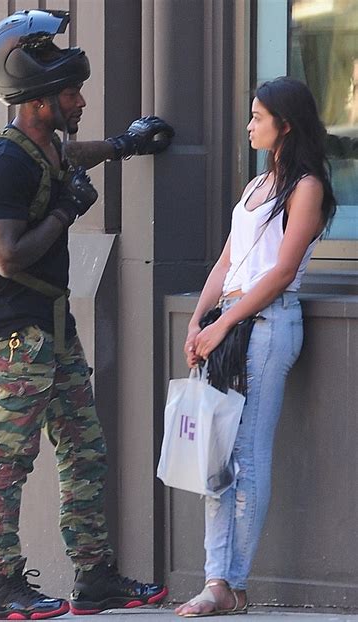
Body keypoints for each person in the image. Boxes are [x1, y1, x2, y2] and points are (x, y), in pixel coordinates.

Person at [0, 9, 173, 621]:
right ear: (36, 103)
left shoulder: (45, 146)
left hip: (54, 332)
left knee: (84, 453)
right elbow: (6, 257)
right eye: (70, 92)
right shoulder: (3, 163)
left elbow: (70, 156)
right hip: (17, 337)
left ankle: (95, 579)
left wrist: (125, 145)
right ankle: (2, 588)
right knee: (9, 463)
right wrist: (64, 212)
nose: (81, 100)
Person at [176, 76, 336, 617]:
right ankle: (217, 580)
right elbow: (227, 260)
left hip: (268, 326)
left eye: (257, 117)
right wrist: (200, 318)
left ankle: (228, 583)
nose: (248, 125)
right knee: (216, 452)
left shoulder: (306, 186)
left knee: (245, 454)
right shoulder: (255, 186)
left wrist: (221, 326)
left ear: (285, 125)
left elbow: (283, 270)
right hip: (233, 320)